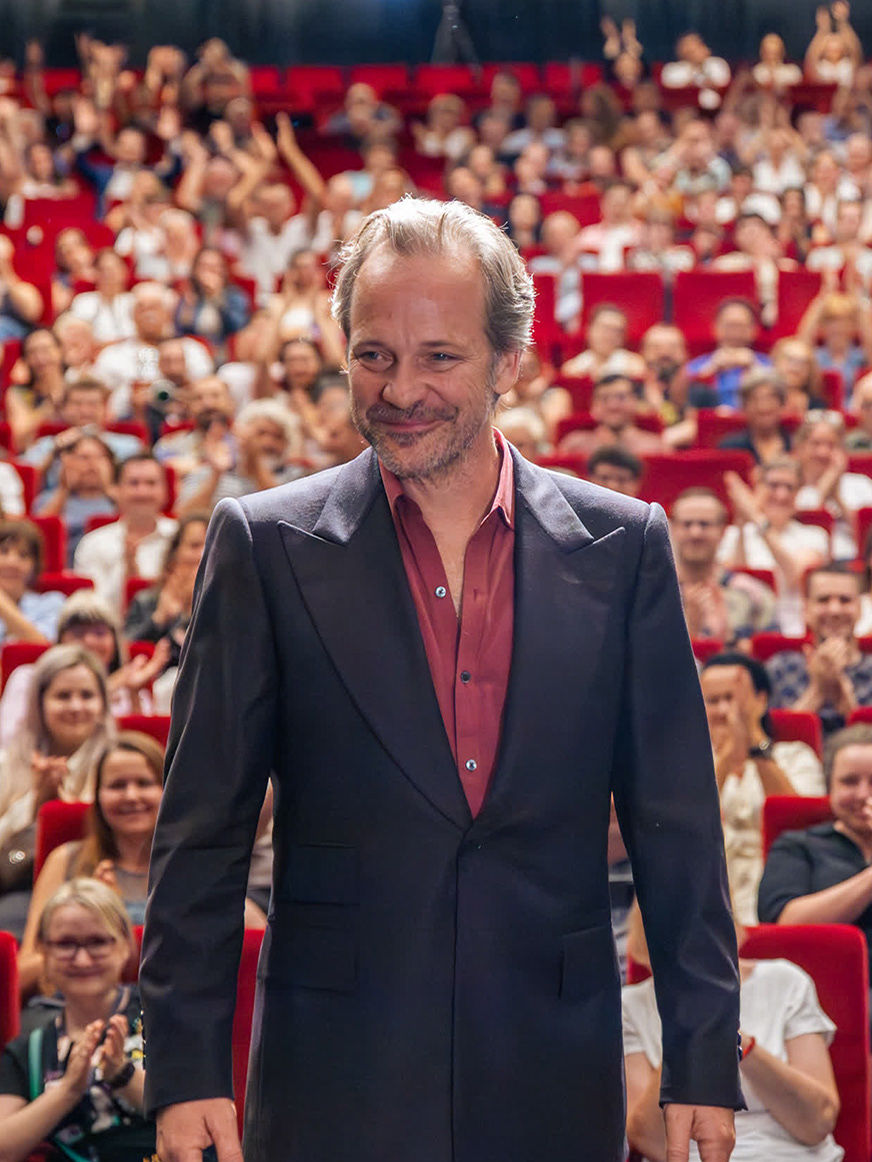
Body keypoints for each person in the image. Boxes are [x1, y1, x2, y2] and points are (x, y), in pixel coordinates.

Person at [141, 197, 742, 1162]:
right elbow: (202, 833)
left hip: (553, 1067)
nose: (401, 389)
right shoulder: (264, 544)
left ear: (509, 362)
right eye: (374, 355)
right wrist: (185, 1071)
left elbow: (679, 828)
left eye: (439, 357)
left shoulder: (625, 546)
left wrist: (701, 1061)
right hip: (335, 1074)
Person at [623, 894, 841, 1162]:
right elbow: (649, 1141)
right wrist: (689, 1030)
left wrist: (737, 1041)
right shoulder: (630, 1007)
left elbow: (818, 1122)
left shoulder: (785, 982)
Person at [0, 878, 156, 1162]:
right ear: (43, 951)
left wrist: (123, 1075)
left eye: (97, 942)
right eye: (65, 944)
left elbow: (198, 1108)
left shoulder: (161, 1014)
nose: (82, 960)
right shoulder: (30, 1046)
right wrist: (67, 1091)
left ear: (124, 944)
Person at [17, 730, 166, 996]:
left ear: (168, 791)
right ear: (97, 797)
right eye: (117, 785)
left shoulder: (191, 867)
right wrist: (87, 918)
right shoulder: (65, 860)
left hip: (168, 1009)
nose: (131, 796)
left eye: (144, 783)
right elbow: (23, 975)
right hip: (70, 1007)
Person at [700, 653, 824, 925]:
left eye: (732, 699)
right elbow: (687, 823)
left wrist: (754, 743)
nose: (723, 711)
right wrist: (725, 758)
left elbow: (802, 825)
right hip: (708, 888)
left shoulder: (796, 756)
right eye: (712, 701)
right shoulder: (688, 763)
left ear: (761, 699)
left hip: (778, 885)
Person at [0, 644, 114, 938]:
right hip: (18, 889)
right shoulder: (7, 763)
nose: (76, 707)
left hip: (101, 884)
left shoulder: (119, 763)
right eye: (63, 696)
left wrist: (68, 811)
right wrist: (36, 803)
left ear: (103, 703)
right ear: (40, 703)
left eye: (87, 695)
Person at [758, 722, 872, 964]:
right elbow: (783, 924)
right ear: (830, 787)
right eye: (850, 781)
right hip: (823, 980)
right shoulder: (798, 845)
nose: (864, 794)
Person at [719, 461, 830, 636]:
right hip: (742, 629)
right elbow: (735, 580)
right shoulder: (731, 535)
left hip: (791, 632)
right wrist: (741, 526)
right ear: (758, 488)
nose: (781, 495)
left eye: (789, 487)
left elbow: (795, 576)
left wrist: (756, 517)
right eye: (773, 485)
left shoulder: (814, 535)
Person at [767, 564, 872, 733]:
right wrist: (818, 689)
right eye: (823, 600)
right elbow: (773, 740)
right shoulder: (781, 667)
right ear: (806, 609)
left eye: (845, 600)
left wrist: (849, 706)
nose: (834, 610)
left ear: (860, 609)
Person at [670, 489, 777, 647]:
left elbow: (772, 655)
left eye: (704, 524)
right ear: (672, 529)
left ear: (723, 530)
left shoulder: (753, 594)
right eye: (687, 524)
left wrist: (729, 640)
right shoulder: (653, 592)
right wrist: (690, 630)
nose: (695, 533)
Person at [73, 454, 176, 616]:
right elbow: (90, 609)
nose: (142, 492)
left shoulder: (180, 538)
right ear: (116, 490)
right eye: (134, 483)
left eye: (151, 483)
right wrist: (127, 569)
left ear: (165, 491)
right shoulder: (93, 543)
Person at [558, 374, 665, 457]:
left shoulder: (656, 448)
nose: (613, 406)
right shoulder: (574, 446)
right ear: (593, 405)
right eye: (604, 399)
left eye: (621, 397)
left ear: (635, 401)